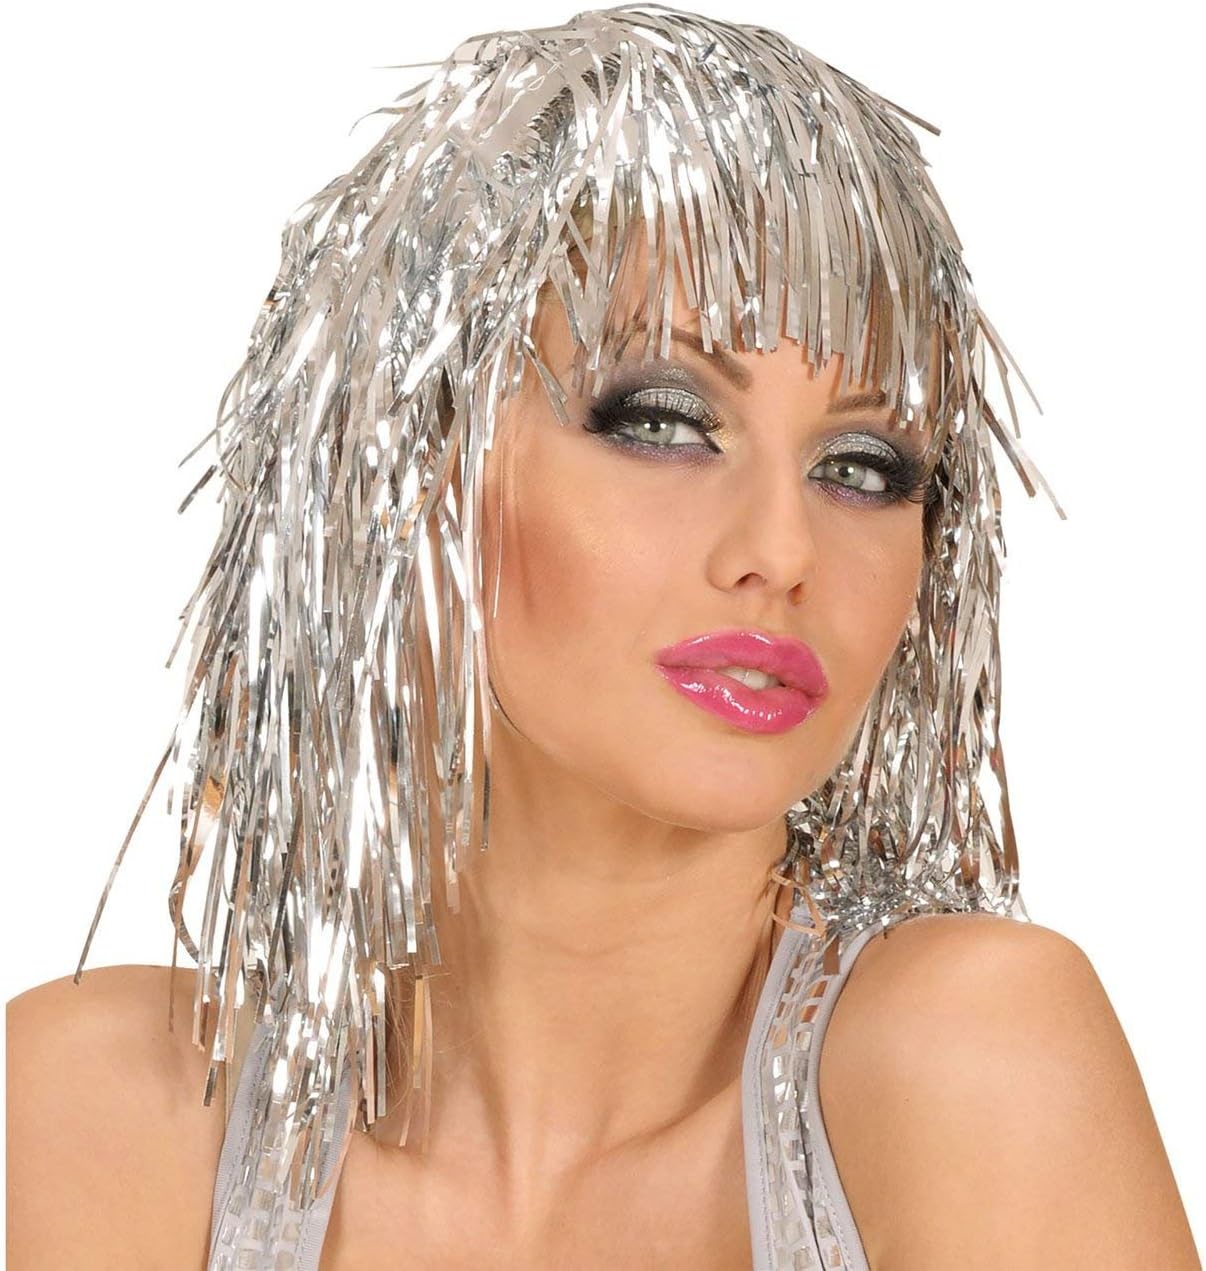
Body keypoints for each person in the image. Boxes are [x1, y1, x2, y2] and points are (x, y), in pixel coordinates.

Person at [7, 4, 1199, 1268]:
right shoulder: (94, 1111)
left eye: (861, 465)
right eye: (663, 423)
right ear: (413, 469)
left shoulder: (971, 1055)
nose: (783, 549)